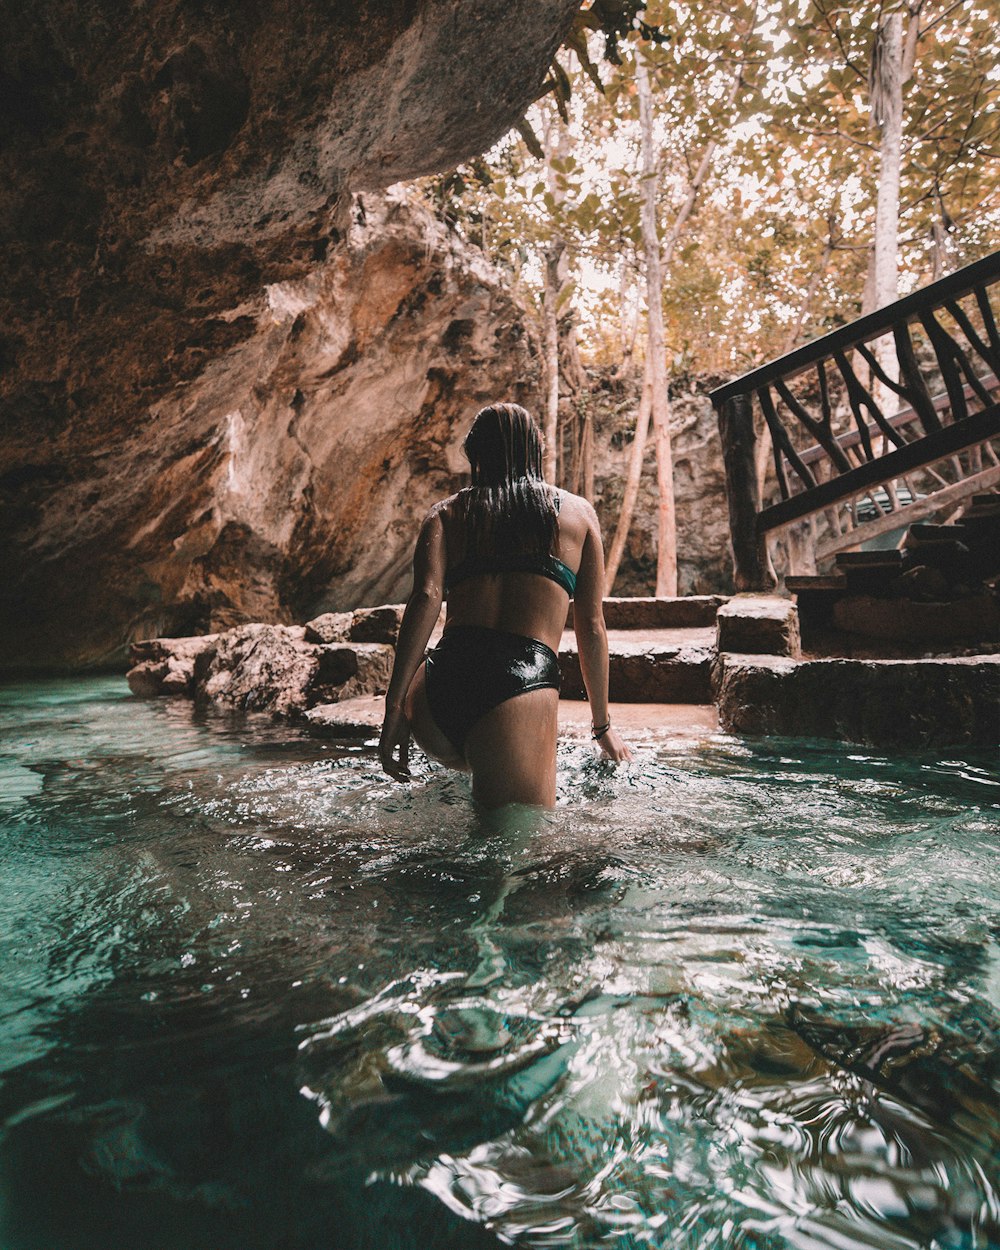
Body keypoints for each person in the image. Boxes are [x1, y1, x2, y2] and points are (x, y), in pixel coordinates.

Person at [379, 402, 632, 808]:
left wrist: (394, 709)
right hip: (518, 688)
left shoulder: (445, 514)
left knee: (475, 776)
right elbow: (591, 625)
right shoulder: (578, 515)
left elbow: (425, 599)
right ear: (537, 451)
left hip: (436, 692)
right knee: (512, 858)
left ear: (476, 454)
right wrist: (602, 727)